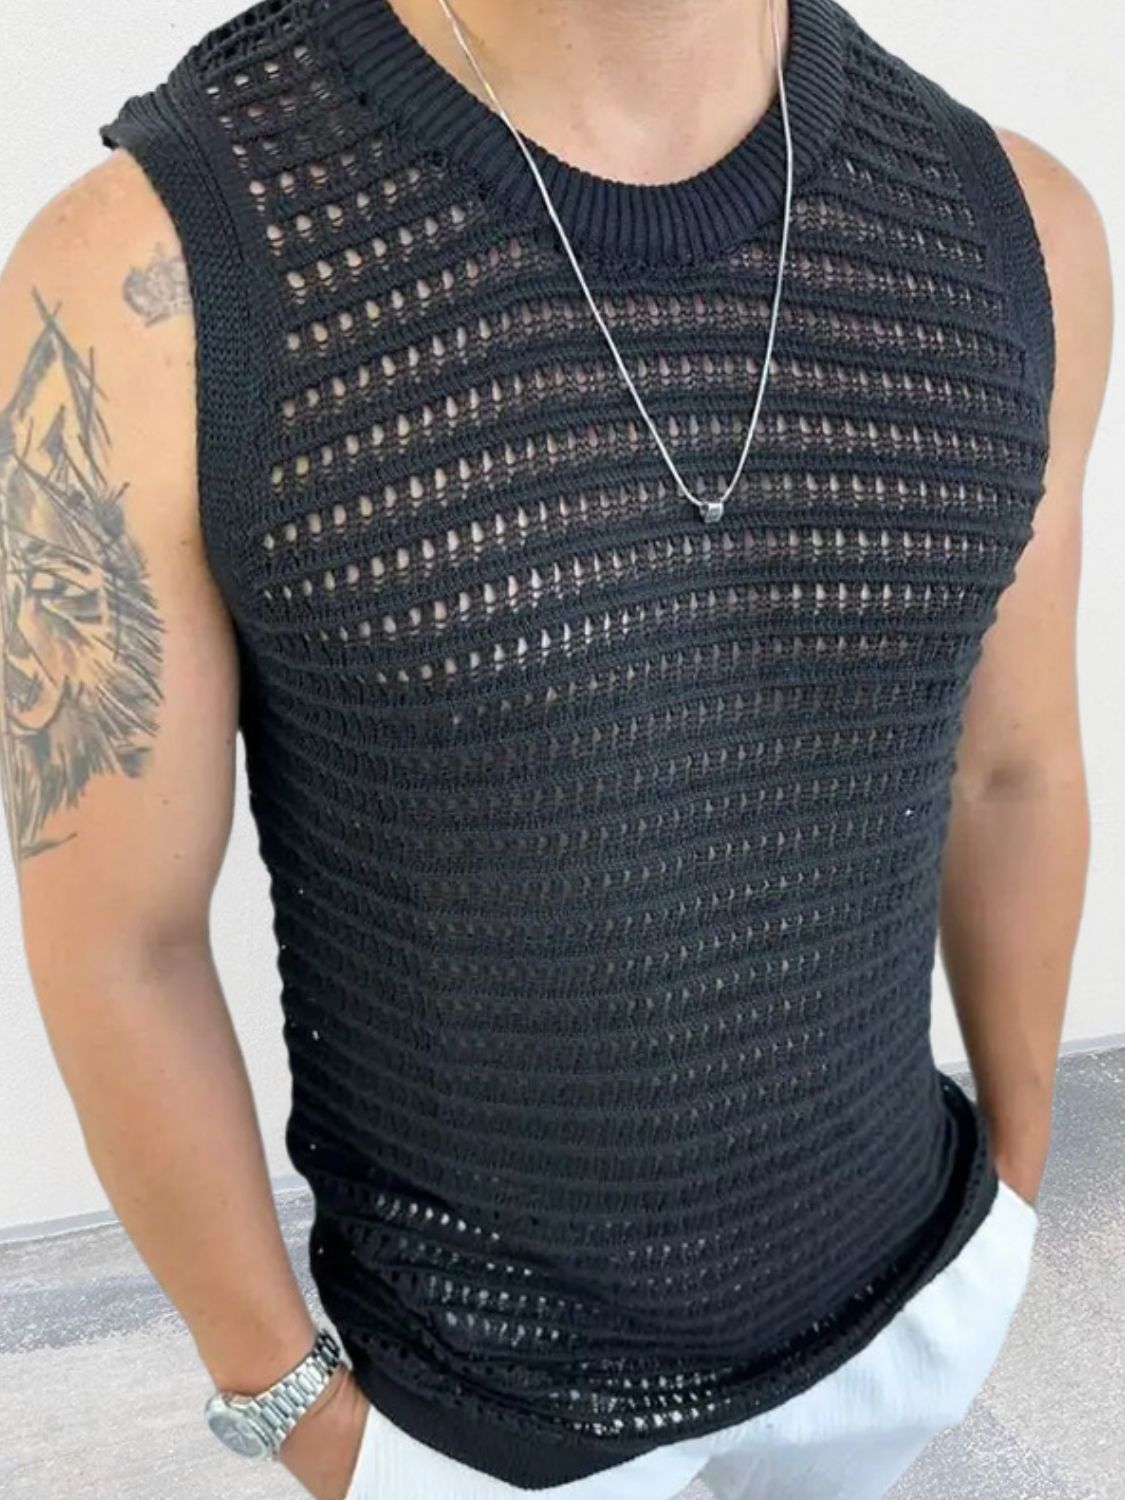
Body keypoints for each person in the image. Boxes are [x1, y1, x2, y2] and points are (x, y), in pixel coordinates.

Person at [0, 0, 1112, 1497]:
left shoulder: (1016, 228)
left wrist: (1012, 1211)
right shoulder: (153, 277)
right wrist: (293, 1404)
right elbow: (119, 937)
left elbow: (1011, 767)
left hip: (904, 1296)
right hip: (475, 1408)